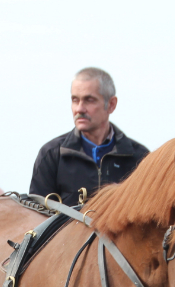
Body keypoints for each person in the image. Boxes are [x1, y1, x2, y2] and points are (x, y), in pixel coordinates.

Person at [29, 67, 149, 207]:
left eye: (89, 100)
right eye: (75, 100)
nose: (79, 109)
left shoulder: (140, 159)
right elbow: (35, 217)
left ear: (111, 105)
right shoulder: (52, 154)